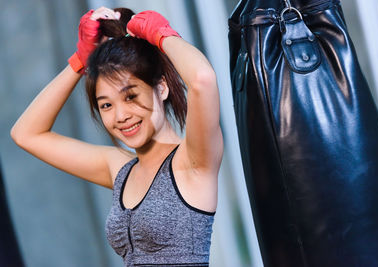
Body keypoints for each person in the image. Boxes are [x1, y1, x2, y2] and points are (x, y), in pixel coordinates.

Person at [10, 6, 223, 267]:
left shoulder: (192, 160)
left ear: (161, 87)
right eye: (106, 105)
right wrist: (79, 61)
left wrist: (163, 36)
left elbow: (203, 80)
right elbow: (26, 133)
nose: (120, 116)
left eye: (130, 96)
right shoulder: (120, 170)